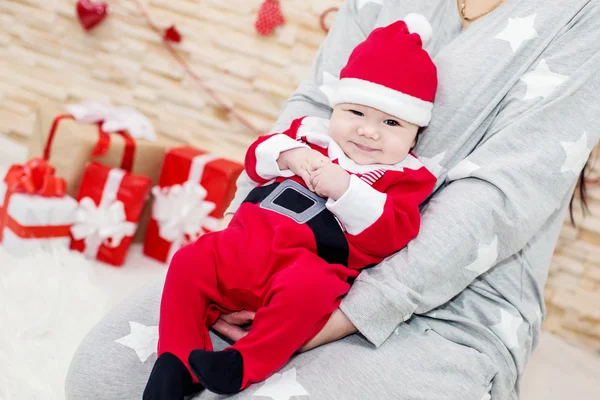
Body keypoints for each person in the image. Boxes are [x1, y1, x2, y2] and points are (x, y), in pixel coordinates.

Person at [65, 1, 600, 399]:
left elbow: (498, 199)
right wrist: (237, 243)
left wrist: (332, 318)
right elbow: (311, 105)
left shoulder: (579, 16)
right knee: (101, 378)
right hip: (271, 247)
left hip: (450, 302)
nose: (370, 132)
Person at [144, 15, 438, 399]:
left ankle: (241, 365)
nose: (369, 131)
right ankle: (177, 360)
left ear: (416, 132)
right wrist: (289, 155)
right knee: (189, 262)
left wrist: (347, 190)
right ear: (336, 108)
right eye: (356, 113)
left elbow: (394, 233)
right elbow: (256, 157)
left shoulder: (404, 176)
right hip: (244, 244)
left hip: (308, 263)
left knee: (309, 296)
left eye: (391, 122)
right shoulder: (309, 134)